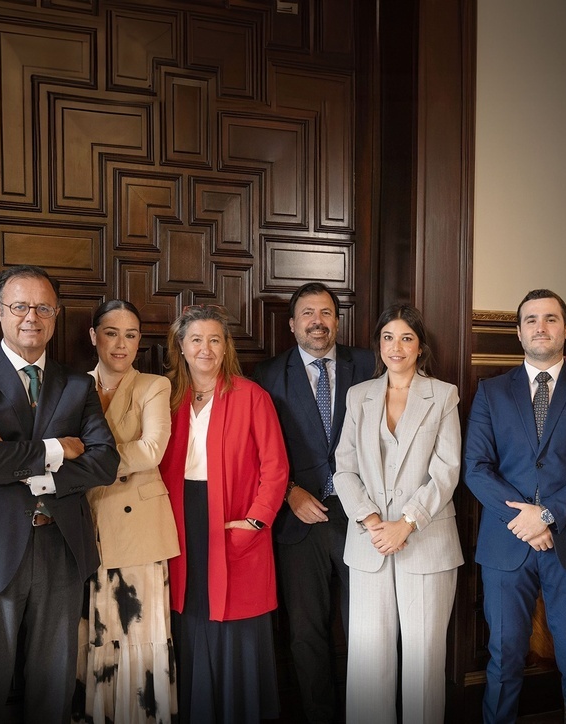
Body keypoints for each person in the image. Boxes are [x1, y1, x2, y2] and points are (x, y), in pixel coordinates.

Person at [0, 264, 119, 723]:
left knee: (54, 690)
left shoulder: (77, 384)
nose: (31, 316)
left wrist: (22, 462)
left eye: (43, 307)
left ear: (55, 315)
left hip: (60, 547)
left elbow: (104, 462)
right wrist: (58, 448)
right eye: (19, 306)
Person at [464, 288, 566, 724]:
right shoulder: (491, 392)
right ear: (518, 332)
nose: (541, 327)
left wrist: (547, 514)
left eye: (551, 318)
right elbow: (475, 468)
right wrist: (525, 520)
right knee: (503, 661)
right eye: (531, 319)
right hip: (505, 545)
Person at [334, 303, 463, 724]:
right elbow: (344, 468)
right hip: (369, 543)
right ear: (379, 345)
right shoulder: (359, 395)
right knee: (370, 664)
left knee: (424, 662)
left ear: (420, 347)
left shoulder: (443, 394)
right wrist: (373, 523)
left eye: (406, 338)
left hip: (426, 543)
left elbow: (447, 471)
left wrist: (406, 524)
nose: (396, 346)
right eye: (388, 337)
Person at [158, 304, 288, 723]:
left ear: (226, 346)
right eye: (196, 339)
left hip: (235, 518)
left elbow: (276, 468)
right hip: (179, 519)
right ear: (181, 346)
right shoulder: (167, 396)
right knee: (190, 612)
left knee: (236, 617)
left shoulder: (252, 396)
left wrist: (255, 521)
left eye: (215, 339)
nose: (206, 348)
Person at [252, 281, 374, 724]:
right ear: (292, 324)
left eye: (325, 313)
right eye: (308, 313)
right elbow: (255, 451)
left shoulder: (370, 363)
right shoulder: (265, 376)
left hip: (362, 517)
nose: (317, 322)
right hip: (298, 520)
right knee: (305, 634)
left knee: (366, 627)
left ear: (337, 321)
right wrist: (288, 493)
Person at [72, 299, 180, 723]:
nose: (121, 344)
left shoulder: (153, 385)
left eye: (131, 335)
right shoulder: (72, 384)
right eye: (112, 333)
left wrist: (82, 458)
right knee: (92, 632)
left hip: (139, 528)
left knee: (139, 631)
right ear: (93, 336)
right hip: (84, 522)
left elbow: (152, 450)